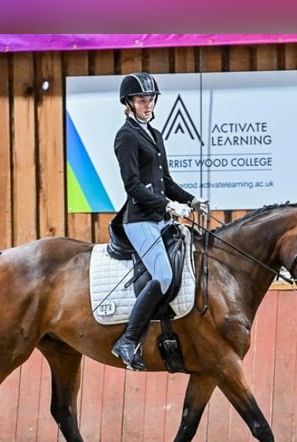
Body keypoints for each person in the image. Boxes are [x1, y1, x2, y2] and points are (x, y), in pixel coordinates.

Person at [110, 71, 209, 371]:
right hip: (139, 220)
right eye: (141, 99)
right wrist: (168, 206)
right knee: (163, 277)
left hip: (160, 218)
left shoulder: (155, 134)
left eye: (150, 99)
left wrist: (191, 200)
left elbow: (165, 180)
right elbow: (133, 187)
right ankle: (127, 340)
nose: (147, 104)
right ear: (128, 103)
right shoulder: (125, 136)